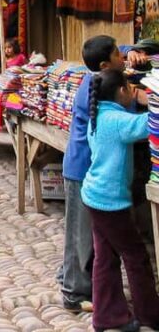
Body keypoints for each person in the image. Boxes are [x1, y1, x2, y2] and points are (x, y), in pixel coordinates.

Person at [83, 69, 159, 332]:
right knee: (136, 257)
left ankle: (107, 316)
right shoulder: (117, 121)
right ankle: (150, 315)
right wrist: (152, 100)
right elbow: (150, 124)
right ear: (121, 91)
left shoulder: (98, 115)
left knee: (105, 258)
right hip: (110, 202)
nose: (133, 90)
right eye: (129, 86)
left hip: (94, 196)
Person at [61, 35, 129, 313]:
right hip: (81, 168)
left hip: (85, 167)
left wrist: (134, 50)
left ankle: (69, 278)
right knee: (80, 235)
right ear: (104, 65)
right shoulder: (96, 89)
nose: (122, 57)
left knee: (81, 232)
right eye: (118, 54)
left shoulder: (96, 79)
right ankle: (73, 293)